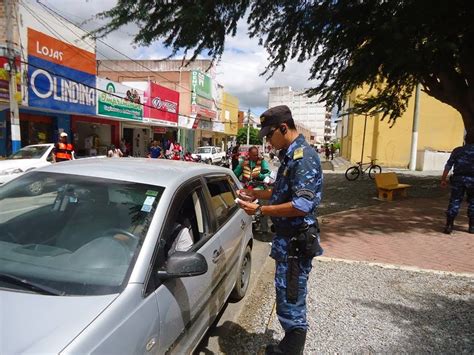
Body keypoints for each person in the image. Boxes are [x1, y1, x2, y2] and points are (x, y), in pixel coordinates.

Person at [236, 105, 323, 354]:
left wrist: (261, 211)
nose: (268, 141)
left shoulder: (303, 157)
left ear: (283, 128)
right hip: (288, 242)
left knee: (291, 299)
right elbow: (279, 192)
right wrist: (255, 194)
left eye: (269, 135)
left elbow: (301, 204)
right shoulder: (289, 155)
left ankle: (290, 350)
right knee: (286, 296)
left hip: (296, 242)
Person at [440, 129, 474, 234]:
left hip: (458, 180)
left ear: (465, 139)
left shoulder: (457, 151)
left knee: (454, 201)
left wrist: (443, 179)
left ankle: (449, 226)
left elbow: (448, 165)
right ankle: (472, 227)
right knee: (473, 203)